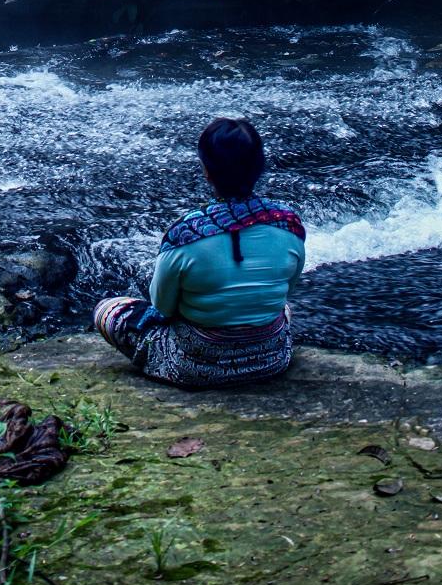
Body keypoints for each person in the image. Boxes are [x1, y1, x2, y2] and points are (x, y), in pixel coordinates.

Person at [93, 117, 305, 389]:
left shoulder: (185, 233)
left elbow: (162, 307)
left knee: (107, 310)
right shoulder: (288, 224)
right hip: (270, 359)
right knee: (283, 309)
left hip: (196, 365)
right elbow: (288, 289)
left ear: (207, 171)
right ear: (259, 167)